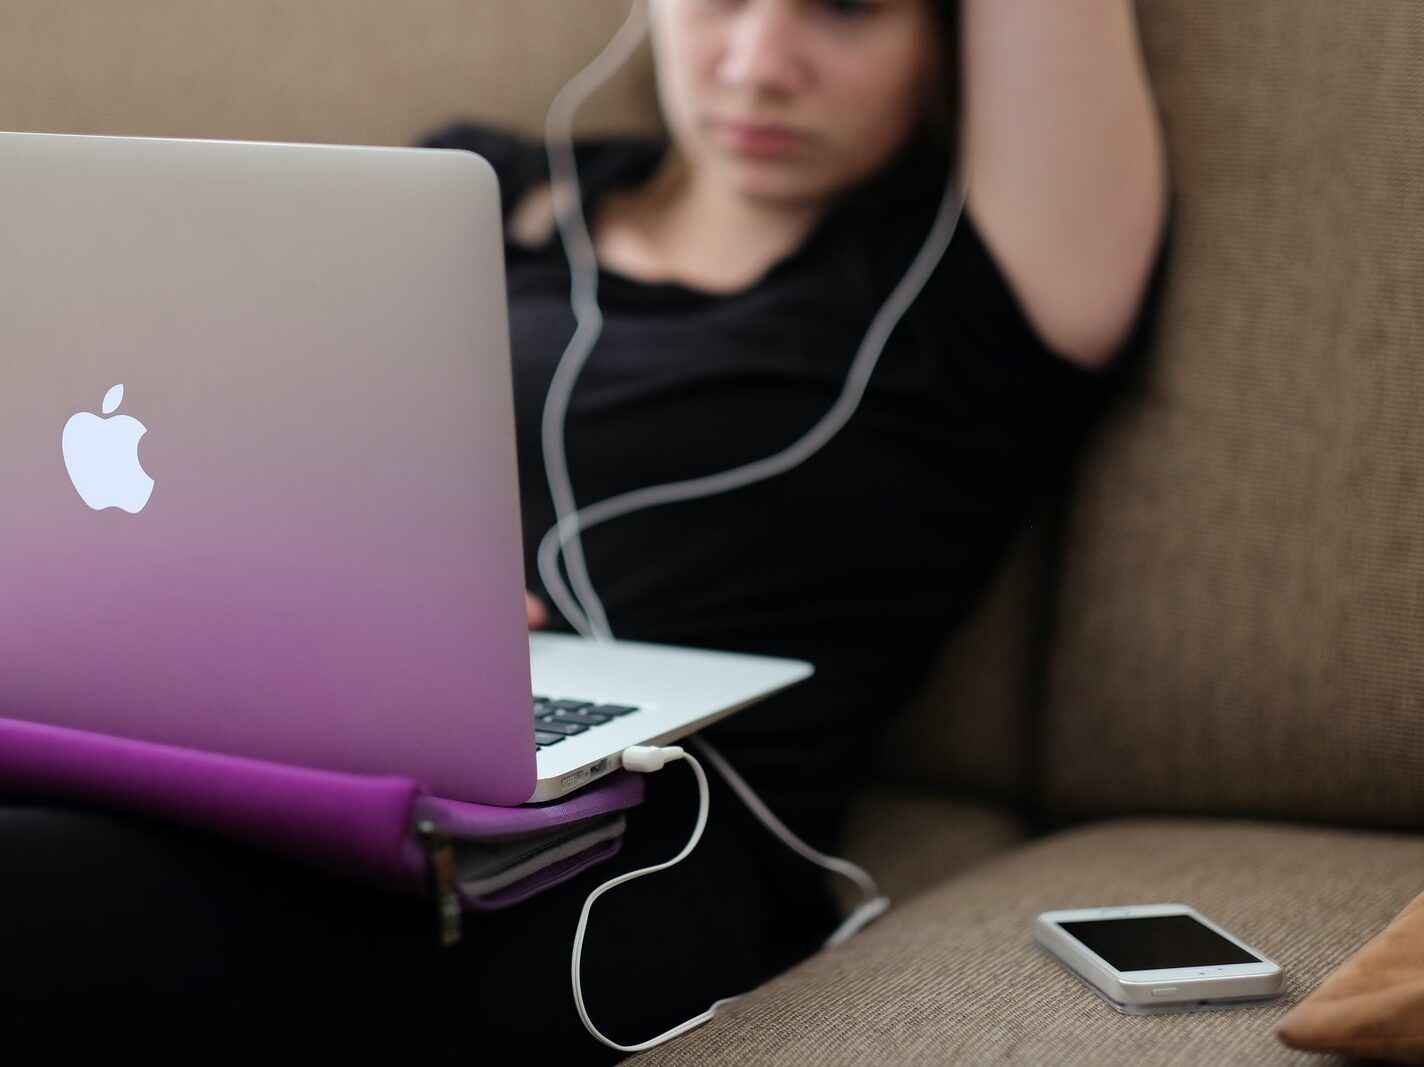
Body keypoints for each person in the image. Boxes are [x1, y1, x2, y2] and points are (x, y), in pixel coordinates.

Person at [1, 0, 1167, 1060]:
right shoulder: (477, 190)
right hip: (302, 731)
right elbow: (217, 448)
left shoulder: (973, 282)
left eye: (846, 9)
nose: (759, 65)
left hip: (641, 838)